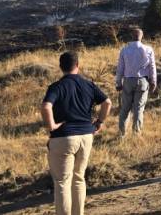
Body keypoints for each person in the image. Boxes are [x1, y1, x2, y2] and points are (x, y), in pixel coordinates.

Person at [42, 51, 112, 215]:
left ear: (61, 67)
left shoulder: (57, 87)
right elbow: (107, 102)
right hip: (86, 136)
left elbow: (46, 106)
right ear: (78, 65)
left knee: (62, 182)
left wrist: (52, 126)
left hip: (64, 137)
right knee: (79, 178)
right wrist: (99, 122)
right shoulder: (89, 84)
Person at [114, 27, 157, 136]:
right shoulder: (148, 49)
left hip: (128, 81)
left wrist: (118, 83)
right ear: (141, 37)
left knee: (125, 108)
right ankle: (136, 134)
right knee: (139, 109)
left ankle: (122, 133)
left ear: (132, 37)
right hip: (142, 81)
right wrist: (153, 82)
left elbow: (120, 68)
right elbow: (152, 67)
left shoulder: (124, 50)